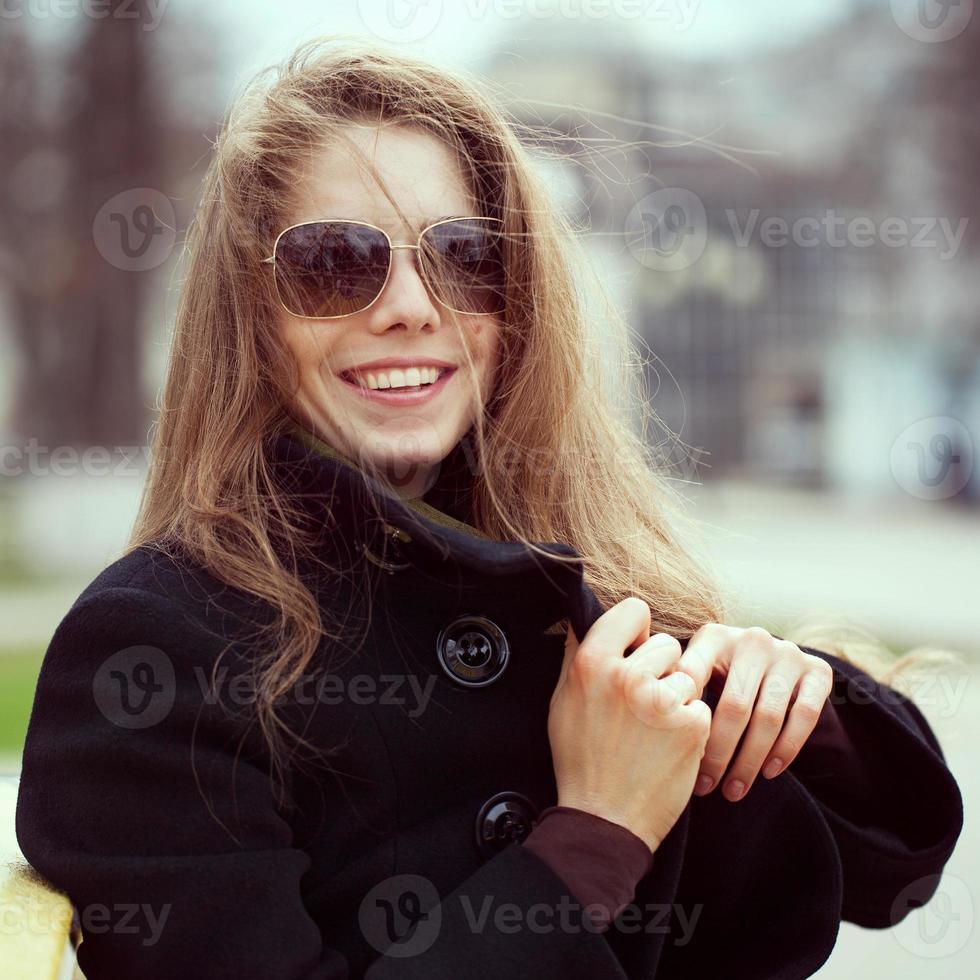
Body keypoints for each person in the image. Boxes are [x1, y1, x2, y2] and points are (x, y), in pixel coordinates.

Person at [16, 36, 964, 980]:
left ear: (517, 304)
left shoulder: (575, 581)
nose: (411, 307)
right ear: (251, 316)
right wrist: (593, 840)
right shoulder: (152, 650)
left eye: (466, 256)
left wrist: (804, 708)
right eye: (337, 261)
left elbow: (890, 869)